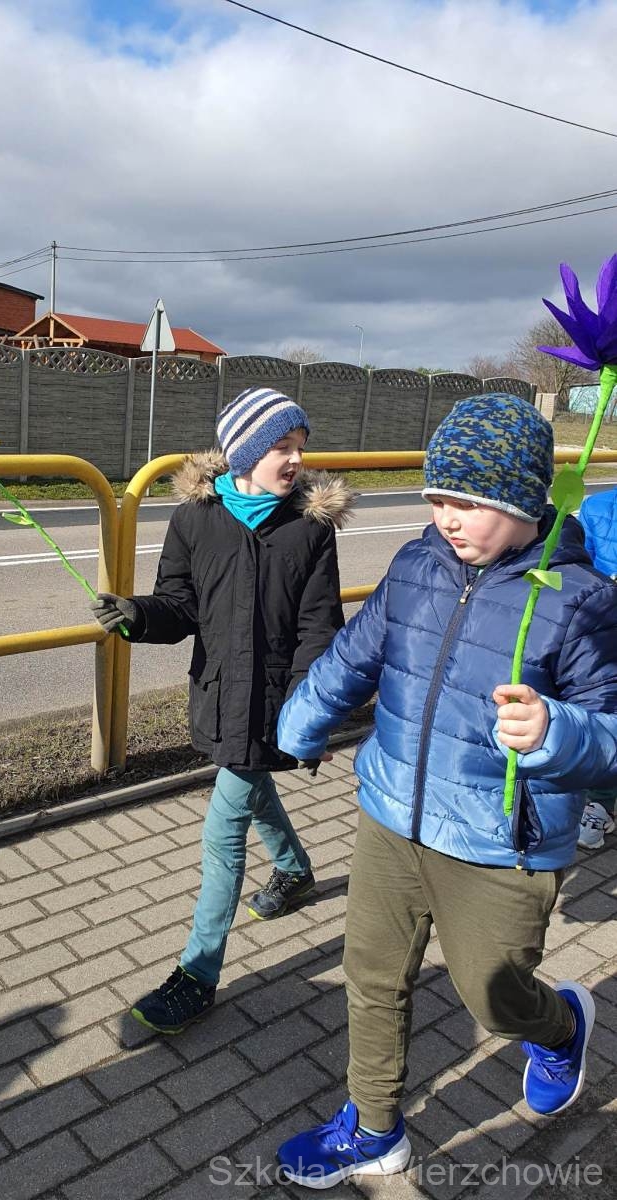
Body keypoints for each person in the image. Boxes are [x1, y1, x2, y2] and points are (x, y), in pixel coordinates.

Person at [272, 393, 617, 1189]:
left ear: (524, 500)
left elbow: (609, 733)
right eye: (436, 497)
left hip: (501, 844)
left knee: (493, 998)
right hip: (392, 814)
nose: (447, 518)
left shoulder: (581, 600)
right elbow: (357, 653)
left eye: (469, 502)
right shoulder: (415, 564)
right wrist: (304, 717)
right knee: (372, 978)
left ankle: (560, 1027)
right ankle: (374, 1128)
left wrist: (556, 731)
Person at [91, 385, 354, 1034]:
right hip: (217, 693)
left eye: (300, 446)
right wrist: (136, 615)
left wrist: (311, 709)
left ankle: (197, 974)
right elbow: (179, 605)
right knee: (251, 784)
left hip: (277, 702)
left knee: (223, 830)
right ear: (244, 452)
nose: (296, 460)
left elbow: (319, 627)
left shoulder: (309, 529)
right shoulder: (194, 520)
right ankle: (294, 871)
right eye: (281, 446)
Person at [576, 485, 617, 849]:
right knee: (605, 710)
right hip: (606, 629)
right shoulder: (598, 507)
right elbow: (580, 567)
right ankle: (600, 804)